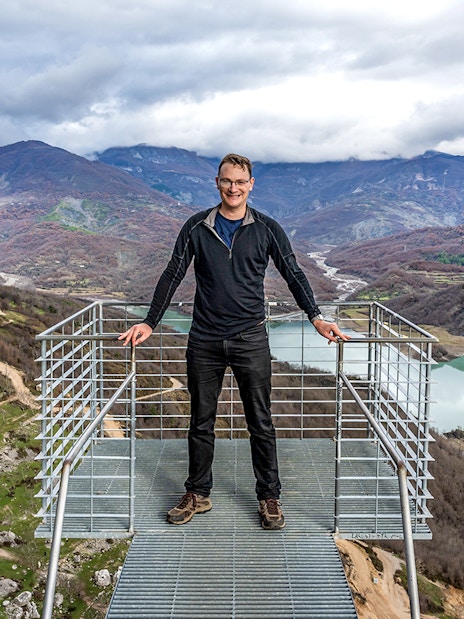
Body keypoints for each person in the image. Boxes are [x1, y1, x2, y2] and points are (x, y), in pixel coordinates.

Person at [119, 153, 349, 530]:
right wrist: (150, 322)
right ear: (217, 183)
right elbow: (172, 273)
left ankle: (269, 497)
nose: (233, 188)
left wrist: (316, 317)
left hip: (251, 338)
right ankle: (198, 493)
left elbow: (293, 273)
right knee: (200, 421)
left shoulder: (267, 229)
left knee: (260, 421)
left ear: (251, 184)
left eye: (240, 182)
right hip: (205, 339)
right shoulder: (196, 227)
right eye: (227, 181)